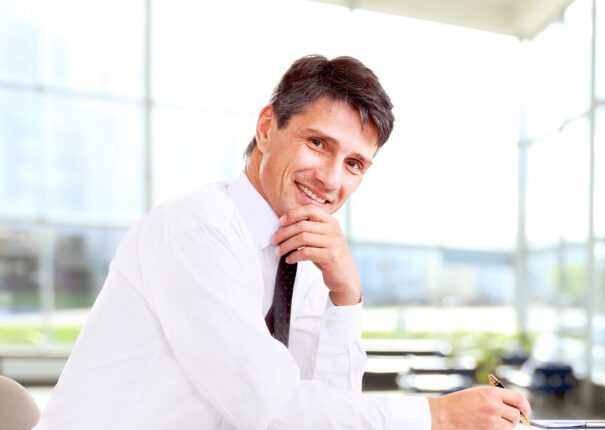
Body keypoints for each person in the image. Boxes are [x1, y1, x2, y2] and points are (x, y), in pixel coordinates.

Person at [36, 55, 531, 429]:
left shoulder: (303, 254)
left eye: (355, 164)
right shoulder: (196, 230)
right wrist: (436, 417)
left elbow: (326, 410)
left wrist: (345, 296)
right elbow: (269, 410)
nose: (331, 180)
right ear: (268, 127)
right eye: (319, 144)